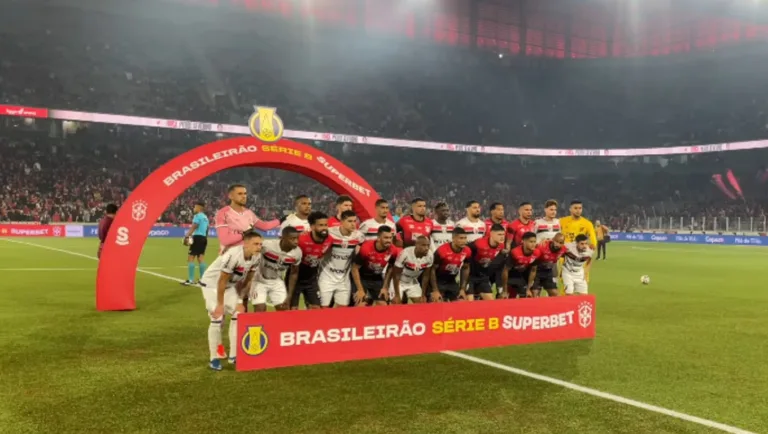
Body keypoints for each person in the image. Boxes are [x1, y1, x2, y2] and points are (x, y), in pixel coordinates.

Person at [198, 230, 262, 371]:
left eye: (260, 244)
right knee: (217, 317)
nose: (259, 247)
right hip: (211, 285)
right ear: (245, 244)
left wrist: (240, 301)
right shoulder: (233, 255)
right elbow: (221, 281)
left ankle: (234, 356)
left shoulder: (256, 257)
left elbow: (247, 281)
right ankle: (213, 358)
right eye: (255, 244)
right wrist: (220, 305)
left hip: (229, 287)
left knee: (238, 314)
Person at [318, 210, 365, 308]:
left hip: (344, 280)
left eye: (354, 221)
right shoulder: (330, 233)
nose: (353, 224)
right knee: (322, 310)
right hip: (326, 278)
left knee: (342, 310)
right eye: (350, 221)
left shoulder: (358, 236)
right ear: (342, 222)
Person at [251, 226, 302, 312]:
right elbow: (251, 250)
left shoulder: (297, 253)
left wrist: (289, 296)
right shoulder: (267, 245)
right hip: (259, 280)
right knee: (260, 309)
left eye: (297, 238)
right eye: (292, 239)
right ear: (283, 238)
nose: (296, 241)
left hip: (276, 281)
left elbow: (294, 273)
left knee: (284, 309)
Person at [288, 211, 332, 310]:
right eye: (320, 225)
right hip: (295, 279)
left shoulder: (330, 240)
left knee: (316, 310)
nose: (324, 228)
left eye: (325, 225)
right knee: (292, 310)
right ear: (312, 227)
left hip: (311, 280)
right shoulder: (301, 239)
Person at [215, 184, 273, 254]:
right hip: (230, 256)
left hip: (247, 255)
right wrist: (244, 234)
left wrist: (281, 220)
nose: (244, 196)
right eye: (240, 194)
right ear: (230, 196)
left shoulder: (249, 213)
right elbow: (225, 240)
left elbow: (264, 226)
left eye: (245, 193)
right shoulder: (223, 213)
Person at [351, 226, 399, 306]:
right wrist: (360, 289)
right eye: (386, 238)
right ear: (378, 238)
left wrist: (385, 287)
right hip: (362, 278)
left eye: (390, 238)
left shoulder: (393, 250)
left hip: (377, 279)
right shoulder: (366, 248)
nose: (389, 240)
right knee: (361, 304)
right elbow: (354, 268)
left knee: (383, 305)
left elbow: (390, 268)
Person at [429, 227, 471, 302]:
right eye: (461, 238)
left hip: (451, 281)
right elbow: (432, 270)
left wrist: (462, 289)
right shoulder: (442, 251)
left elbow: (465, 268)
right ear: (453, 238)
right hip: (438, 281)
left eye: (465, 238)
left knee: (462, 302)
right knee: (437, 302)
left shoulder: (467, 251)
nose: (464, 241)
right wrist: (435, 290)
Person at [467, 224, 506, 301]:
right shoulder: (479, 244)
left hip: (482, 277)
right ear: (491, 234)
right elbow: (465, 251)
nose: (502, 237)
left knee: (491, 303)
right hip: (470, 277)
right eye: (499, 234)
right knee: (469, 304)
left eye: (503, 234)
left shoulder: (501, 246)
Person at [391, 236, 433, 304]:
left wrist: (423, 294)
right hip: (399, 281)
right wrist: (397, 295)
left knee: (421, 303)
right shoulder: (405, 253)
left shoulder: (430, 256)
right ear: (416, 245)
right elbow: (396, 275)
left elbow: (426, 276)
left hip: (412, 281)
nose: (426, 248)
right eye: (423, 245)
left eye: (428, 245)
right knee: (396, 303)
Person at [500, 232, 539, 299]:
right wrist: (504, 290)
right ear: (523, 241)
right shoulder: (515, 252)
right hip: (511, 275)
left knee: (529, 296)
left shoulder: (536, 253)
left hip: (524, 275)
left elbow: (533, 270)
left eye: (534, 242)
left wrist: (528, 288)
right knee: (504, 297)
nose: (533, 244)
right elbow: (506, 271)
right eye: (531, 242)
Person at [182, 201, 209, 286]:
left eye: (195, 207)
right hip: (204, 238)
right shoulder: (205, 217)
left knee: (191, 258)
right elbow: (207, 229)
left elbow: (194, 226)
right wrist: (204, 238)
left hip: (197, 237)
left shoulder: (197, 216)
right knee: (201, 258)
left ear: (199, 207)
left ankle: (190, 280)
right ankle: (202, 279)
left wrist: (187, 235)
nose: (194, 208)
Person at [531, 233, 567, 297]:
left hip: (548, 273)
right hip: (537, 272)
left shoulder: (563, 249)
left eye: (561, 243)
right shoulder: (542, 246)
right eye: (556, 241)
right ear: (553, 240)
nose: (558, 244)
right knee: (535, 295)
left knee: (556, 295)